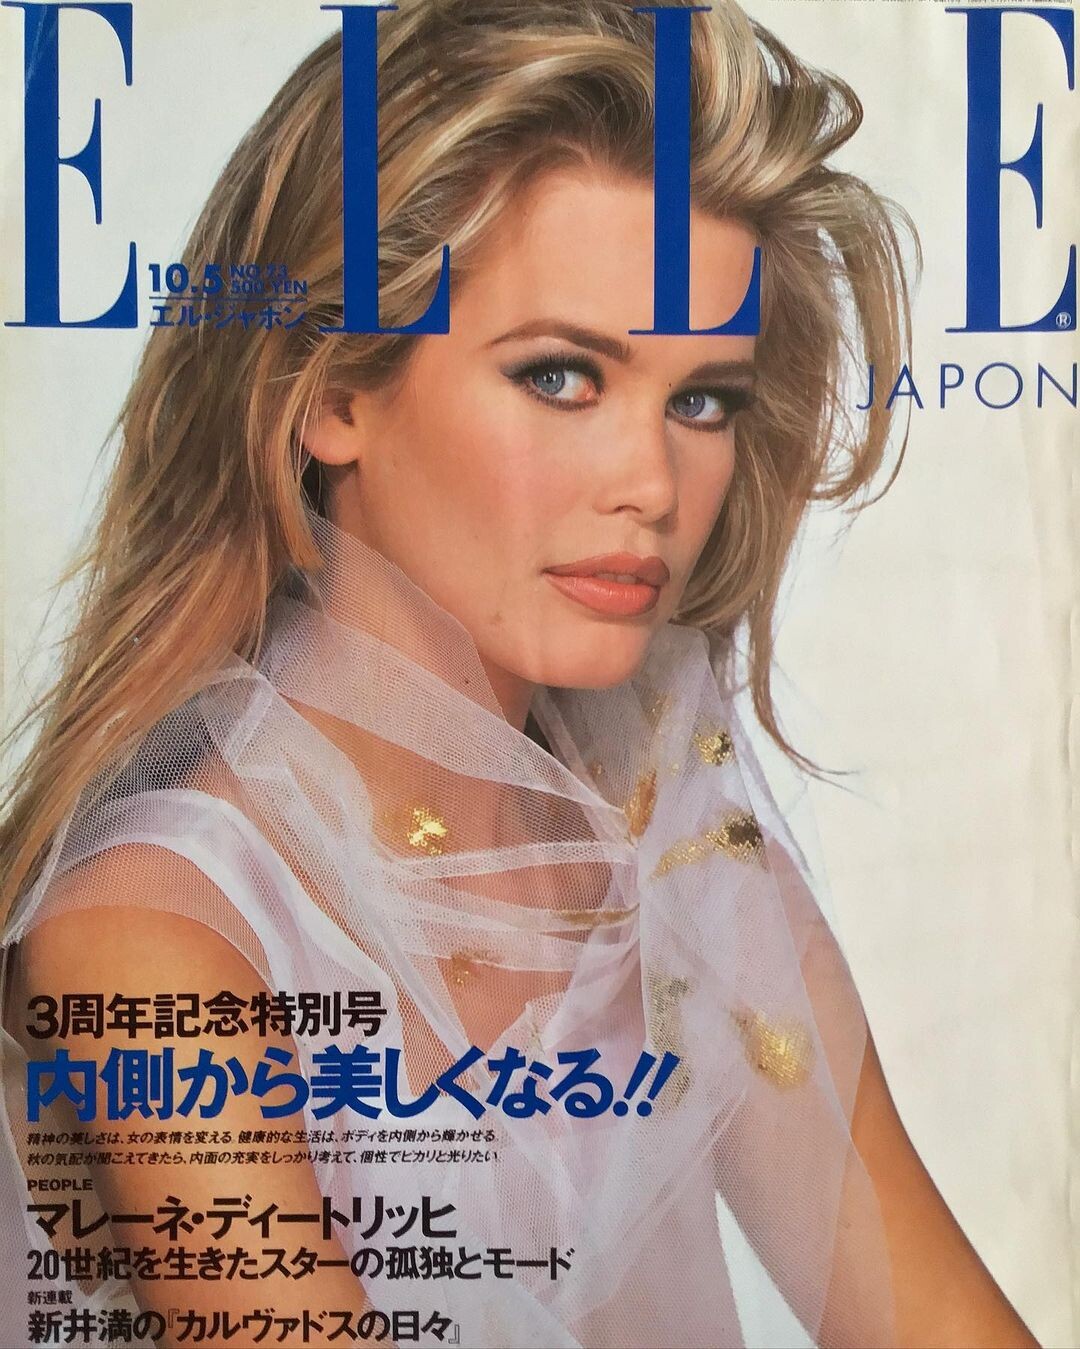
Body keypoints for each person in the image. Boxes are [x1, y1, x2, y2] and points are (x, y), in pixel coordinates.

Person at [0, 1, 1042, 1345]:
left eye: (702, 399)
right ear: (332, 391)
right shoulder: (156, 937)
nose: (652, 482)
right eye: (561, 376)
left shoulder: (677, 850)